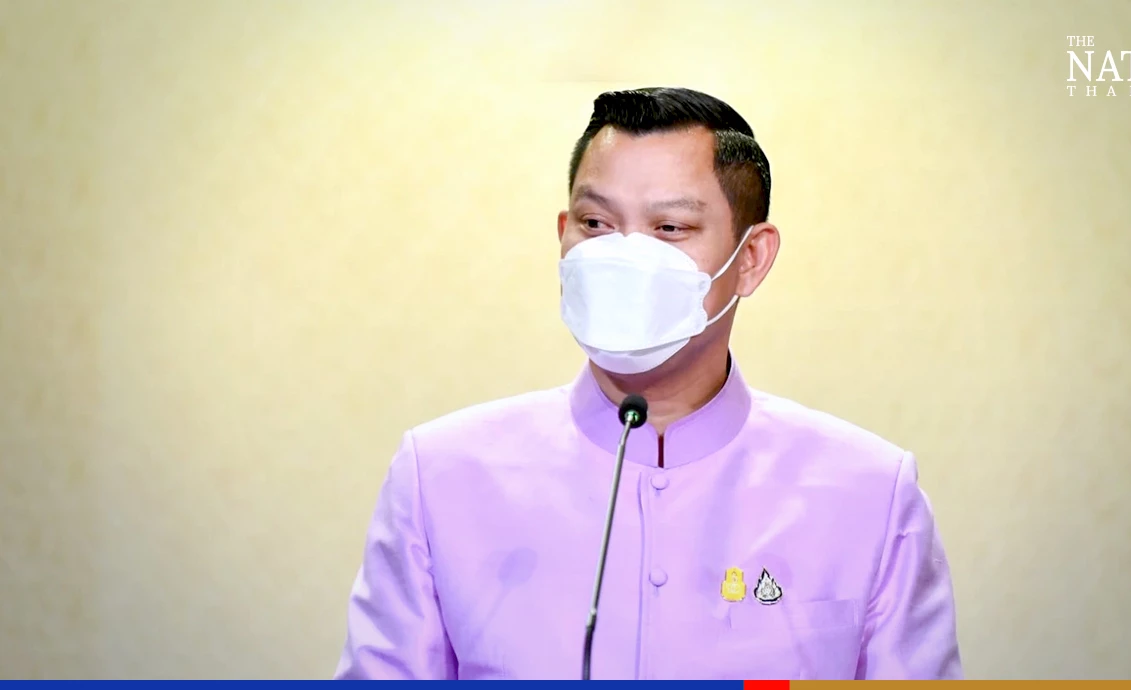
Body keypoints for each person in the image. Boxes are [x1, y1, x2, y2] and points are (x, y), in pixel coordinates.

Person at [333, 87, 962, 680]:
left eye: (670, 229)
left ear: (750, 258)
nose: (623, 256)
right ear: (563, 235)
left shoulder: (871, 493)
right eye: (596, 223)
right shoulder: (441, 475)